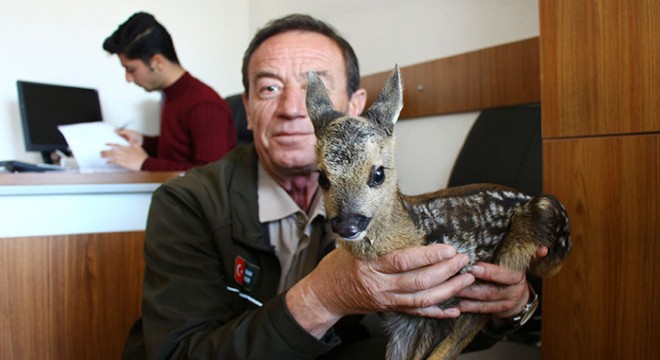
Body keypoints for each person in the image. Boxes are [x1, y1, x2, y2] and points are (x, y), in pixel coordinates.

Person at [124, 14, 547, 359]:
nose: (294, 110)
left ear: (357, 106)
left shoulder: (382, 203)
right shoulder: (186, 206)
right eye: (269, 88)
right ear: (248, 110)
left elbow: (428, 318)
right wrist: (323, 298)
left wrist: (508, 309)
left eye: (317, 88)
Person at [101, 12, 236, 171]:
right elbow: (179, 151)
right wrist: (143, 142)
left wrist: (144, 164)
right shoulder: (173, 96)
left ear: (157, 62)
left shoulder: (203, 104)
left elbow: (210, 176)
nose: (128, 78)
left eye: (131, 69)